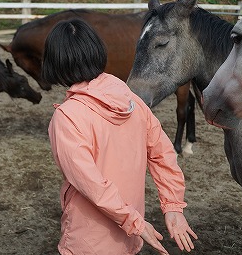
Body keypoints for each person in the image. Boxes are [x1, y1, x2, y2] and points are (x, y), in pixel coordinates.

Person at [42, 18, 198, 255]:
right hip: (130, 239)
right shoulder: (132, 100)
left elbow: (92, 185)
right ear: (97, 50)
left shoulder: (67, 117)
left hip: (89, 241)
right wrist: (173, 206)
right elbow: (163, 155)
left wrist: (135, 222)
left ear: (55, 62)